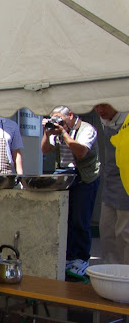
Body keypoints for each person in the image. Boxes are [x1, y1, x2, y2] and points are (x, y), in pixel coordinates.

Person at [41, 105, 101, 278]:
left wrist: (63, 133)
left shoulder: (87, 129)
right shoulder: (58, 130)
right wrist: (47, 133)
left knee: (80, 219)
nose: (57, 123)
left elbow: (81, 151)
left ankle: (81, 258)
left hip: (85, 177)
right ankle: (68, 256)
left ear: (71, 116)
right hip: (64, 174)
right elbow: (45, 150)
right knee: (64, 218)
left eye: (59, 118)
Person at [94, 103, 129, 264]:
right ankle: (111, 273)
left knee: (124, 235)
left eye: (104, 106)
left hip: (126, 186)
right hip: (109, 187)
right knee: (107, 232)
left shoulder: (125, 118)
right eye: (97, 107)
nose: (100, 111)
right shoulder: (105, 121)